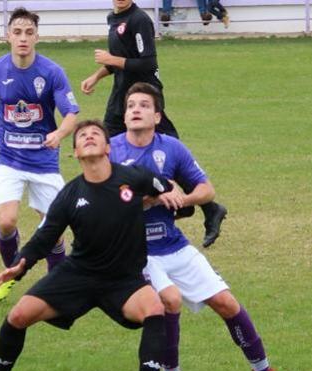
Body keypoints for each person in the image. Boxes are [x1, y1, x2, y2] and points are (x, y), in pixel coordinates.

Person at [109, 83, 294, 371]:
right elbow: (109, 203)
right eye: (131, 106)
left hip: (174, 244)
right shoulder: (111, 149)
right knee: (170, 302)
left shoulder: (171, 147)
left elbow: (207, 190)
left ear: (157, 116)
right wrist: (156, 195)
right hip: (137, 251)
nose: (135, 110)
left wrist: (183, 199)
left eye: (144, 105)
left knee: (227, 303)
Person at [0, 119, 176, 371]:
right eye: (82, 135)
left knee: (155, 308)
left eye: (96, 134)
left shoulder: (133, 177)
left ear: (108, 148)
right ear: (76, 152)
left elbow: (165, 188)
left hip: (124, 280)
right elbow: (46, 236)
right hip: (78, 273)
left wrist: (169, 194)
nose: (88, 137)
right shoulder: (69, 194)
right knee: (18, 315)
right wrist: (21, 264)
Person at [80, 0, 227, 248]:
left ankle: (199, 206)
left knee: (168, 151)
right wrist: (96, 76)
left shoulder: (139, 20)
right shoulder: (113, 18)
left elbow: (147, 63)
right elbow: (123, 58)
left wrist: (111, 60)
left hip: (145, 98)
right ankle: (202, 207)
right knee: (110, 150)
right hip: (122, 99)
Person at [0, 8, 79, 300]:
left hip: (44, 160)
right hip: (8, 158)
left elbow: (71, 115)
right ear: (8, 36)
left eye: (29, 33)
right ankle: (11, 273)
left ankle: (56, 290)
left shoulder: (51, 72)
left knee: (53, 228)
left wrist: (60, 133)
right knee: (6, 221)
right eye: (17, 32)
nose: (23, 38)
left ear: (37, 37)